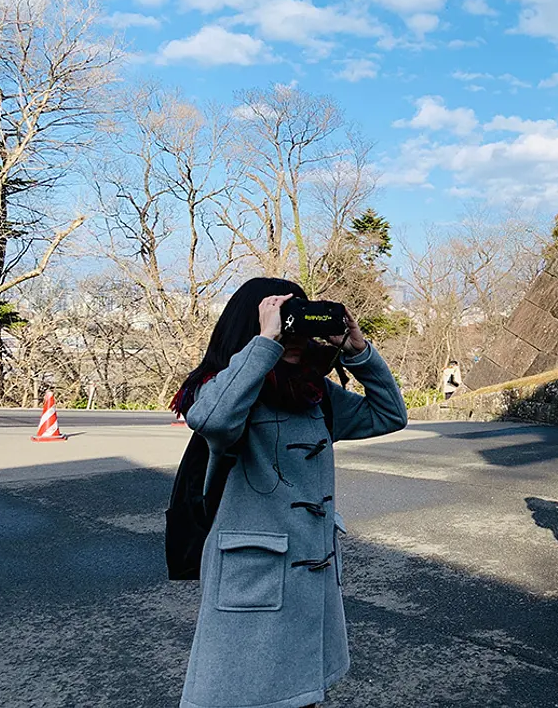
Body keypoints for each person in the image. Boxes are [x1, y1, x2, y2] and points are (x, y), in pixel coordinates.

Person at [172, 277, 408, 708]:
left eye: (300, 324)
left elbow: (389, 415)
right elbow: (211, 419)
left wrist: (358, 352)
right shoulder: (226, 389)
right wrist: (266, 343)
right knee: (240, 694)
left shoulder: (315, 393)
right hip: (253, 579)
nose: (295, 337)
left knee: (299, 696)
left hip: (308, 574)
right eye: (287, 323)